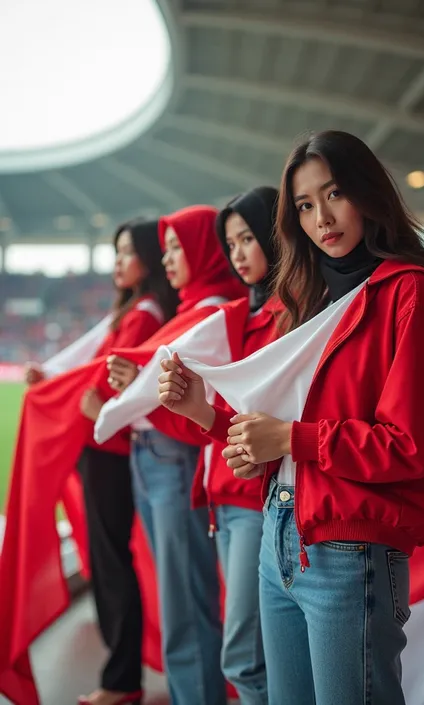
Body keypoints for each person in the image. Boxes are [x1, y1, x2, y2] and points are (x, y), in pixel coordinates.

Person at [156, 131, 424, 705]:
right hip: (279, 538)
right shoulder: (309, 298)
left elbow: (411, 447)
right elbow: (273, 434)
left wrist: (292, 438)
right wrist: (200, 411)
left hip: (350, 554)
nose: (322, 217)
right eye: (305, 205)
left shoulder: (410, 294)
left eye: (334, 195)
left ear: (366, 193)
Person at [90, 206, 246, 705]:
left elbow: (192, 404)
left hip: (173, 457)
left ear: (203, 249)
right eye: (166, 248)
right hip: (156, 455)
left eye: (178, 246)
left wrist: (125, 394)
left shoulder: (214, 310)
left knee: (185, 600)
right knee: (180, 595)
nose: (168, 257)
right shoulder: (190, 310)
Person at [25, 219, 178, 705]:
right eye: (115, 253)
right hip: (110, 451)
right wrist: (53, 377)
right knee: (114, 561)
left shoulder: (143, 314)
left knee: (114, 563)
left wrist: (55, 388)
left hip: (110, 452)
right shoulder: (132, 310)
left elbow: (104, 385)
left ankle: (121, 680)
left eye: (127, 253)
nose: (118, 263)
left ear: (148, 261)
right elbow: (92, 364)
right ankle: (121, 676)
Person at [158, 187, 280, 704]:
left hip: (257, 500)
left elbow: (266, 419)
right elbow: (226, 419)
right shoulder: (240, 315)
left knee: (247, 658)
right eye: (231, 244)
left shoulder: (284, 317)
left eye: (248, 238)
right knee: (256, 654)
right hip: (223, 499)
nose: (238, 254)